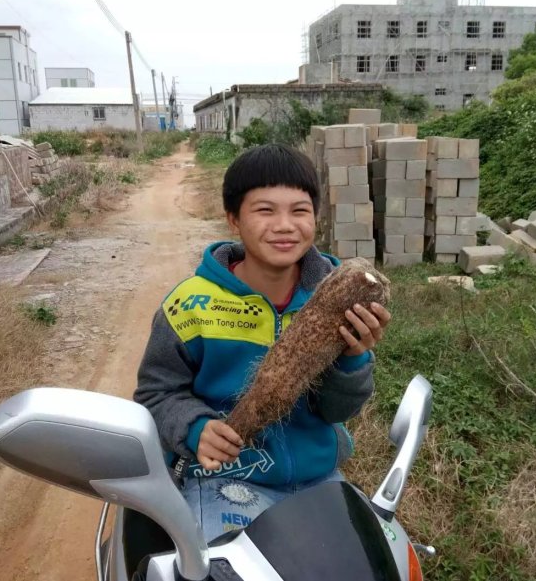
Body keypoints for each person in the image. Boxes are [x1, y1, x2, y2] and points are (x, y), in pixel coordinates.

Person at [134, 143, 390, 541]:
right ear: (233, 219)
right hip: (224, 480)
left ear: (316, 218)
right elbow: (156, 394)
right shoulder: (191, 305)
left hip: (317, 478)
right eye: (265, 210)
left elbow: (339, 410)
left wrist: (353, 361)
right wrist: (195, 428)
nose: (285, 225)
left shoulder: (337, 299)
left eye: (299, 210)